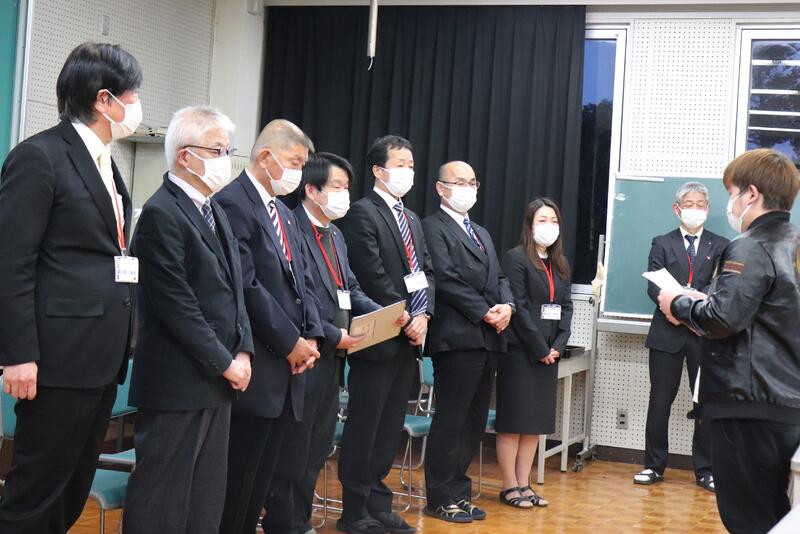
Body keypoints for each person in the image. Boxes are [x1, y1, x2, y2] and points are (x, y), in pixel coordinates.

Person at [0, 42, 141, 533]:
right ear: (104, 99)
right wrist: (18, 354)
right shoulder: (39, 156)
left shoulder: (104, 161)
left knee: (73, 486)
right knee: (36, 493)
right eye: (132, 95)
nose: (136, 106)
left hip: (101, 357)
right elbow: (12, 262)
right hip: (57, 358)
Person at [122, 105, 253, 533]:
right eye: (217, 150)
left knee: (204, 501)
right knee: (163, 501)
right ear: (185, 155)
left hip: (217, 380)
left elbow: (236, 292)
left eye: (228, 149)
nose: (226, 159)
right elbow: (177, 306)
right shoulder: (161, 213)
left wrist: (244, 350)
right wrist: (225, 361)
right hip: (178, 382)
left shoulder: (214, 210)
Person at [263, 152, 408, 534]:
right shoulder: (292, 228)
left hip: (334, 358)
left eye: (347, 187)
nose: (345, 194)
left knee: (317, 446)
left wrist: (384, 312)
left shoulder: (336, 235)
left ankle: (301, 519)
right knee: (294, 448)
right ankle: (284, 522)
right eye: (337, 187)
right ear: (311, 190)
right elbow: (298, 295)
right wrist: (330, 333)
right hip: (304, 353)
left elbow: (351, 288)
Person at [658, 148, 800, 533]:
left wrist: (679, 303)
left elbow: (722, 319)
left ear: (751, 193)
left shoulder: (750, 245)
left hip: (747, 402)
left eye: (732, 193)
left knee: (748, 518)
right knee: (776, 514)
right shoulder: (793, 243)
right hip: (785, 401)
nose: (731, 203)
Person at [215, 119, 323, 534]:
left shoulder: (284, 212)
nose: (298, 172)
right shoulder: (233, 203)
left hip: (289, 367)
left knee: (263, 479)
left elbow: (303, 279)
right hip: (258, 363)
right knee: (237, 482)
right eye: (294, 162)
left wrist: (311, 335)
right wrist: (290, 340)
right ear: (265, 156)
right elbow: (247, 286)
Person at [336, 135, 435, 534]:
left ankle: (379, 503)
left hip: (408, 340)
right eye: (400, 164)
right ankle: (354, 510)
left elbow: (425, 270)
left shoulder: (411, 218)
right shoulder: (363, 213)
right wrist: (405, 315)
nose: (408, 171)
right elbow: (371, 273)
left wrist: (424, 313)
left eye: (411, 164)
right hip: (378, 337)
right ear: (378, 170)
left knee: (390, 427)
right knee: (366, 427)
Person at [421, 161, 514, 523]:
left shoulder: (481, 232)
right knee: (451, 420)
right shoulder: (433, 227)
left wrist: (507, 306)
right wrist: (484, 311)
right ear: (440, 188)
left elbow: (500, 277)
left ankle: (459, 492)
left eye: (472, 182)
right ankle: (440, 496)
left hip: (488, 339)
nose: (467, 188)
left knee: (473, 423)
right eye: (459, 182)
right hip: (457, 338)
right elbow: (445, 279)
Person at [634, 182, 727, 491]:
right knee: (660, 401)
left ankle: (705, 470)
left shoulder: (722, 245)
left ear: (708, 209)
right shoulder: (661, 243)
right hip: (667, 331)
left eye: (701, 204)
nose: (695, 209)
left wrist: (695, 309)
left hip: (704, 334)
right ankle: (653, 466)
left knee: (704, 402)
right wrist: (676, 311)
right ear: (677, 209)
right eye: (689, 204)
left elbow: (720, 286)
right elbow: (653, 285)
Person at [496, 198, 573, 509]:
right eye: (542, 220)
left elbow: (566, 307)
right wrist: (539, 348)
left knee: (533, 424)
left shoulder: (560, 264)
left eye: (554, 220)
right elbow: (519, 308)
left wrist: (558, 345)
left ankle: (524, 483)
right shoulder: (515, 258)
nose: (549, 226)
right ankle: (509, 486)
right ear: (529, 225)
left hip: (549, 354)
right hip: (521, 352)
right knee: (514, 421)